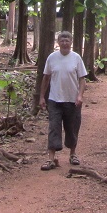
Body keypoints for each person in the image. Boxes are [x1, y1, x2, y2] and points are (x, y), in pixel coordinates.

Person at [39, 30, 87, 170]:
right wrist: (42, 97)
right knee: (53, 127)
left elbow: (82, 79)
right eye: (62, 40)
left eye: (67, 40)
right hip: (54, 99)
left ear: (71, 42)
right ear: (58, 42)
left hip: (72, 100)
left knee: (72, 128)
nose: (65, 43)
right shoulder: (52, 58)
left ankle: (73, 154)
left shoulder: (76, 58)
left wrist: (80, 95)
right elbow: (46, 78)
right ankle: (50, 159)